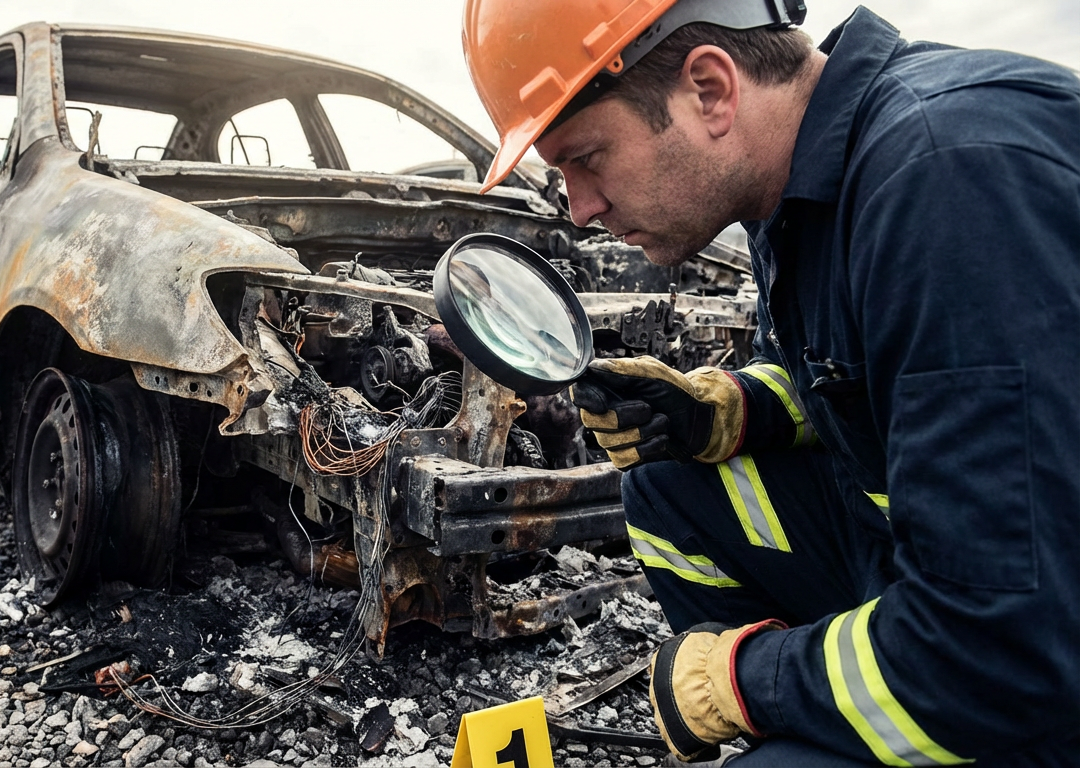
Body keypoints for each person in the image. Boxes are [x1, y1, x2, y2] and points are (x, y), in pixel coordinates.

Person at [462, 0, 1080, 765]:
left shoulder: (948, 185)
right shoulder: (798, 189)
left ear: (711, 90)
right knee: (667, 484)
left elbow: (1005, 652)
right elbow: (855, 379)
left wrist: (745, 682)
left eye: (586, 157)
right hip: (950, 564)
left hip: (1023, 655)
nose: (581, 209)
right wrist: (722, 410)